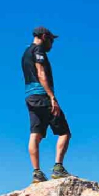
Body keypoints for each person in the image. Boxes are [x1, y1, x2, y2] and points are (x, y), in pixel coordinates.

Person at [21, 26, 74, 183]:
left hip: (29, 96)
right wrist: (52, 97)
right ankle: (58, 168)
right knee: (64, 132)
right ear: (44, 36)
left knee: (35, 134)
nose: (52, 44)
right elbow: (41, 73)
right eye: (51, 40)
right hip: (42, 95)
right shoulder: (38, 51)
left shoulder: (26, 52)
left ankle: (36, 172)